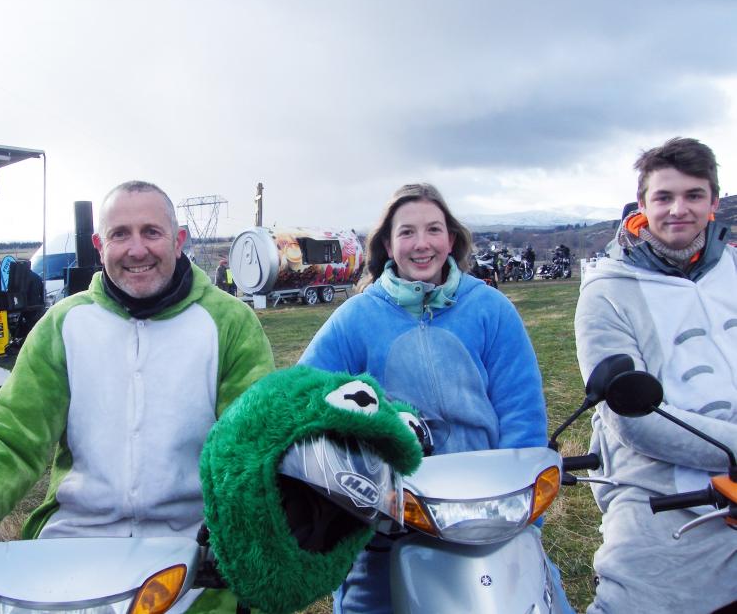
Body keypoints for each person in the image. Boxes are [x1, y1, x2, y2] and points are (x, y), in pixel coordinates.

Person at [0, 180, 275, 613]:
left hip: (195, 552)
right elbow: (11, 437)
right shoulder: (63, 324)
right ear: (98, 244)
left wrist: (236, 528)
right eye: (120, 234)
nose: (136, 249)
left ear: (179, 240)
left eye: (152, 232)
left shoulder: (229, 323)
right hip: (74, 544)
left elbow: (252, 446)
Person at [298, 183, 570, 613]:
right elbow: (305, 398)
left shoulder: (491, 309)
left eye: (433, 230)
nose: (421, 244)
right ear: (388, 244)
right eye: (407, 232)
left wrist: (522, 518)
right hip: (390, 526)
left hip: (490, 516)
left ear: (451, 238)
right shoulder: (356, 318)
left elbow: (522, 415)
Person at [575, 137, 737, 613]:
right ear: (642, 206)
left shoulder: (734, 268)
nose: (678, 209)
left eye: (693, 196)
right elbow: (632, 417)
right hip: (661, 493)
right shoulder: (606, 291)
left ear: (713, 204)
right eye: (664, 197)